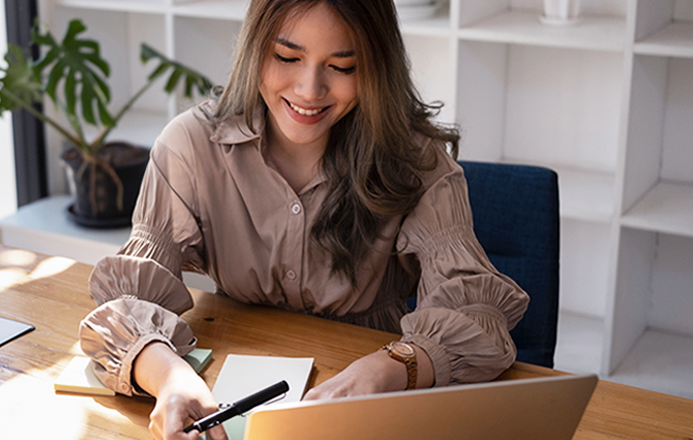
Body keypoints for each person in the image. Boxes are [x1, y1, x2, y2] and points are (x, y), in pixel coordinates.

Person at [78, 0, 530, 439]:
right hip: (229, 390)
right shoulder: (190, 146)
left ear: (374, 68)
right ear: (255, 48)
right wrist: (170, 377)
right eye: (287, 56)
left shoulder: (417, 162)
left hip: (369, 402)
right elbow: (123, 301)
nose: (310, 89)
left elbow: (478, 316)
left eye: (343, 66)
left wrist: (389, 369)